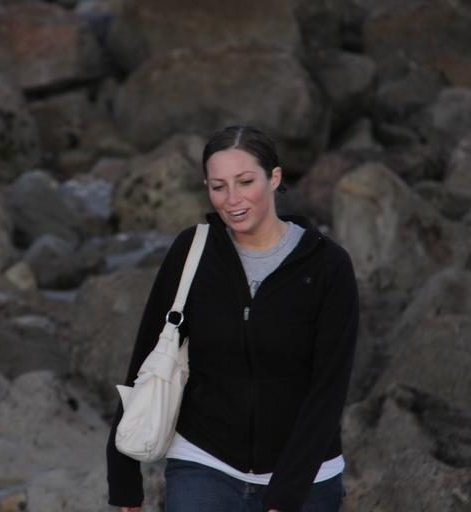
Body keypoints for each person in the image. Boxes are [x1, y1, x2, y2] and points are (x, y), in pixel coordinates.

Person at [106, 125, 359, 512]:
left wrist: (286, 494)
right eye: (218, 186)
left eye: (245, 182)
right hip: (203, 463)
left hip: (308, 478)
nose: (232, 199)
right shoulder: (192, 252)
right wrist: (124, 477)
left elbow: (329, 387)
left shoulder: (327, 265)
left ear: (274, 178)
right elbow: (145, 359)